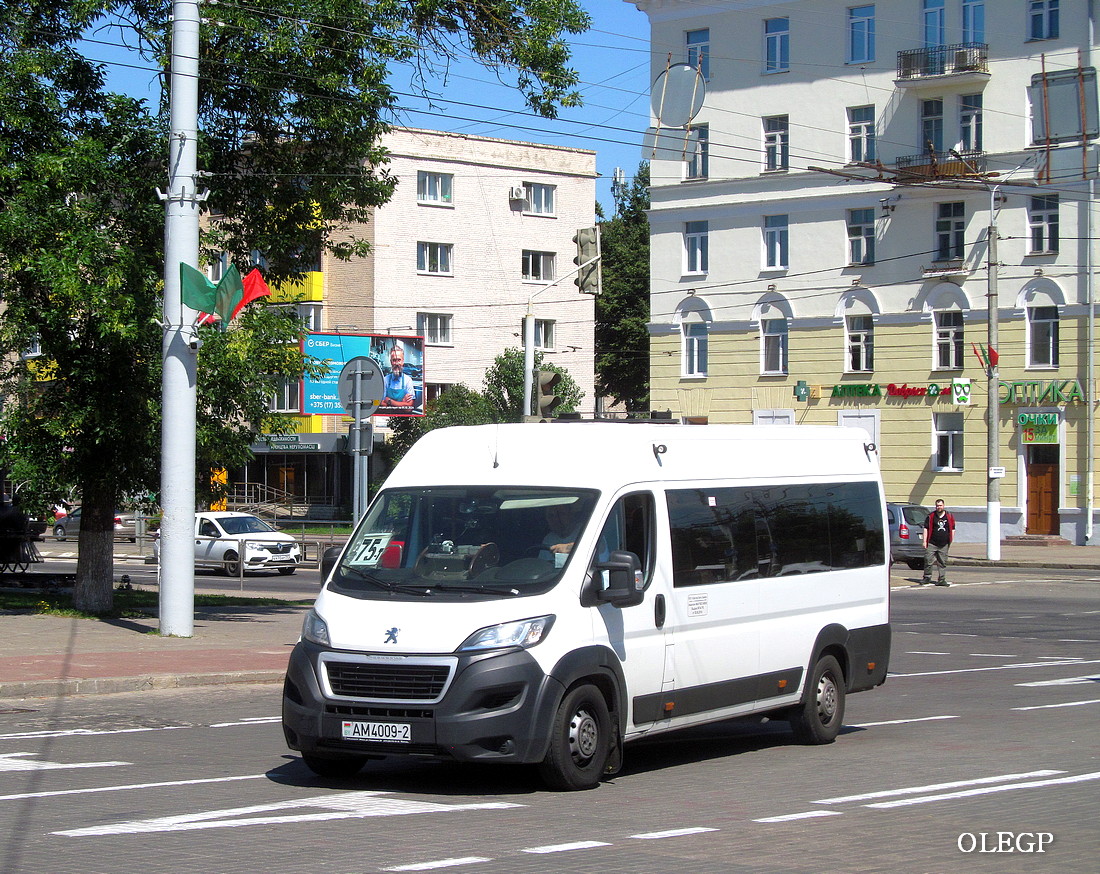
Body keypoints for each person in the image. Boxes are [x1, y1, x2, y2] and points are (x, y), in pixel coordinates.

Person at [921, 499, 955, 587]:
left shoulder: (949, 516)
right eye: (937, 505)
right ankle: (927, 577)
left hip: (944, 544)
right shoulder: (931, 516)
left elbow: (953, 529)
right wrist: (924, 541)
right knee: (928, 560)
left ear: (943, 506)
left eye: (940, 505)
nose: (939, 507)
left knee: (942, 562)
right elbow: (926, 529)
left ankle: (942, 579)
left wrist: (950, 540)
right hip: (932, 543)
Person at [540, 501, 582, 566]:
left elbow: (598, 549)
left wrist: (569, 548)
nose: (556, 518)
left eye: (561, 514)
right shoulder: (549, 538)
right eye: (551, 515)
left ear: (571, 515)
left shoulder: (584, 530)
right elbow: (542, 566)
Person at [379, 343, 415, 409]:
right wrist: (403, 403)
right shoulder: (385, 380)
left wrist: (389, 401)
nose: (397, 363)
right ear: (391, 362)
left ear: (403, 361)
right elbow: (381, 403)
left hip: (403, 418)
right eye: (394, 360)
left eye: (399, 360)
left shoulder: (408, 380)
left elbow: (409, 408)